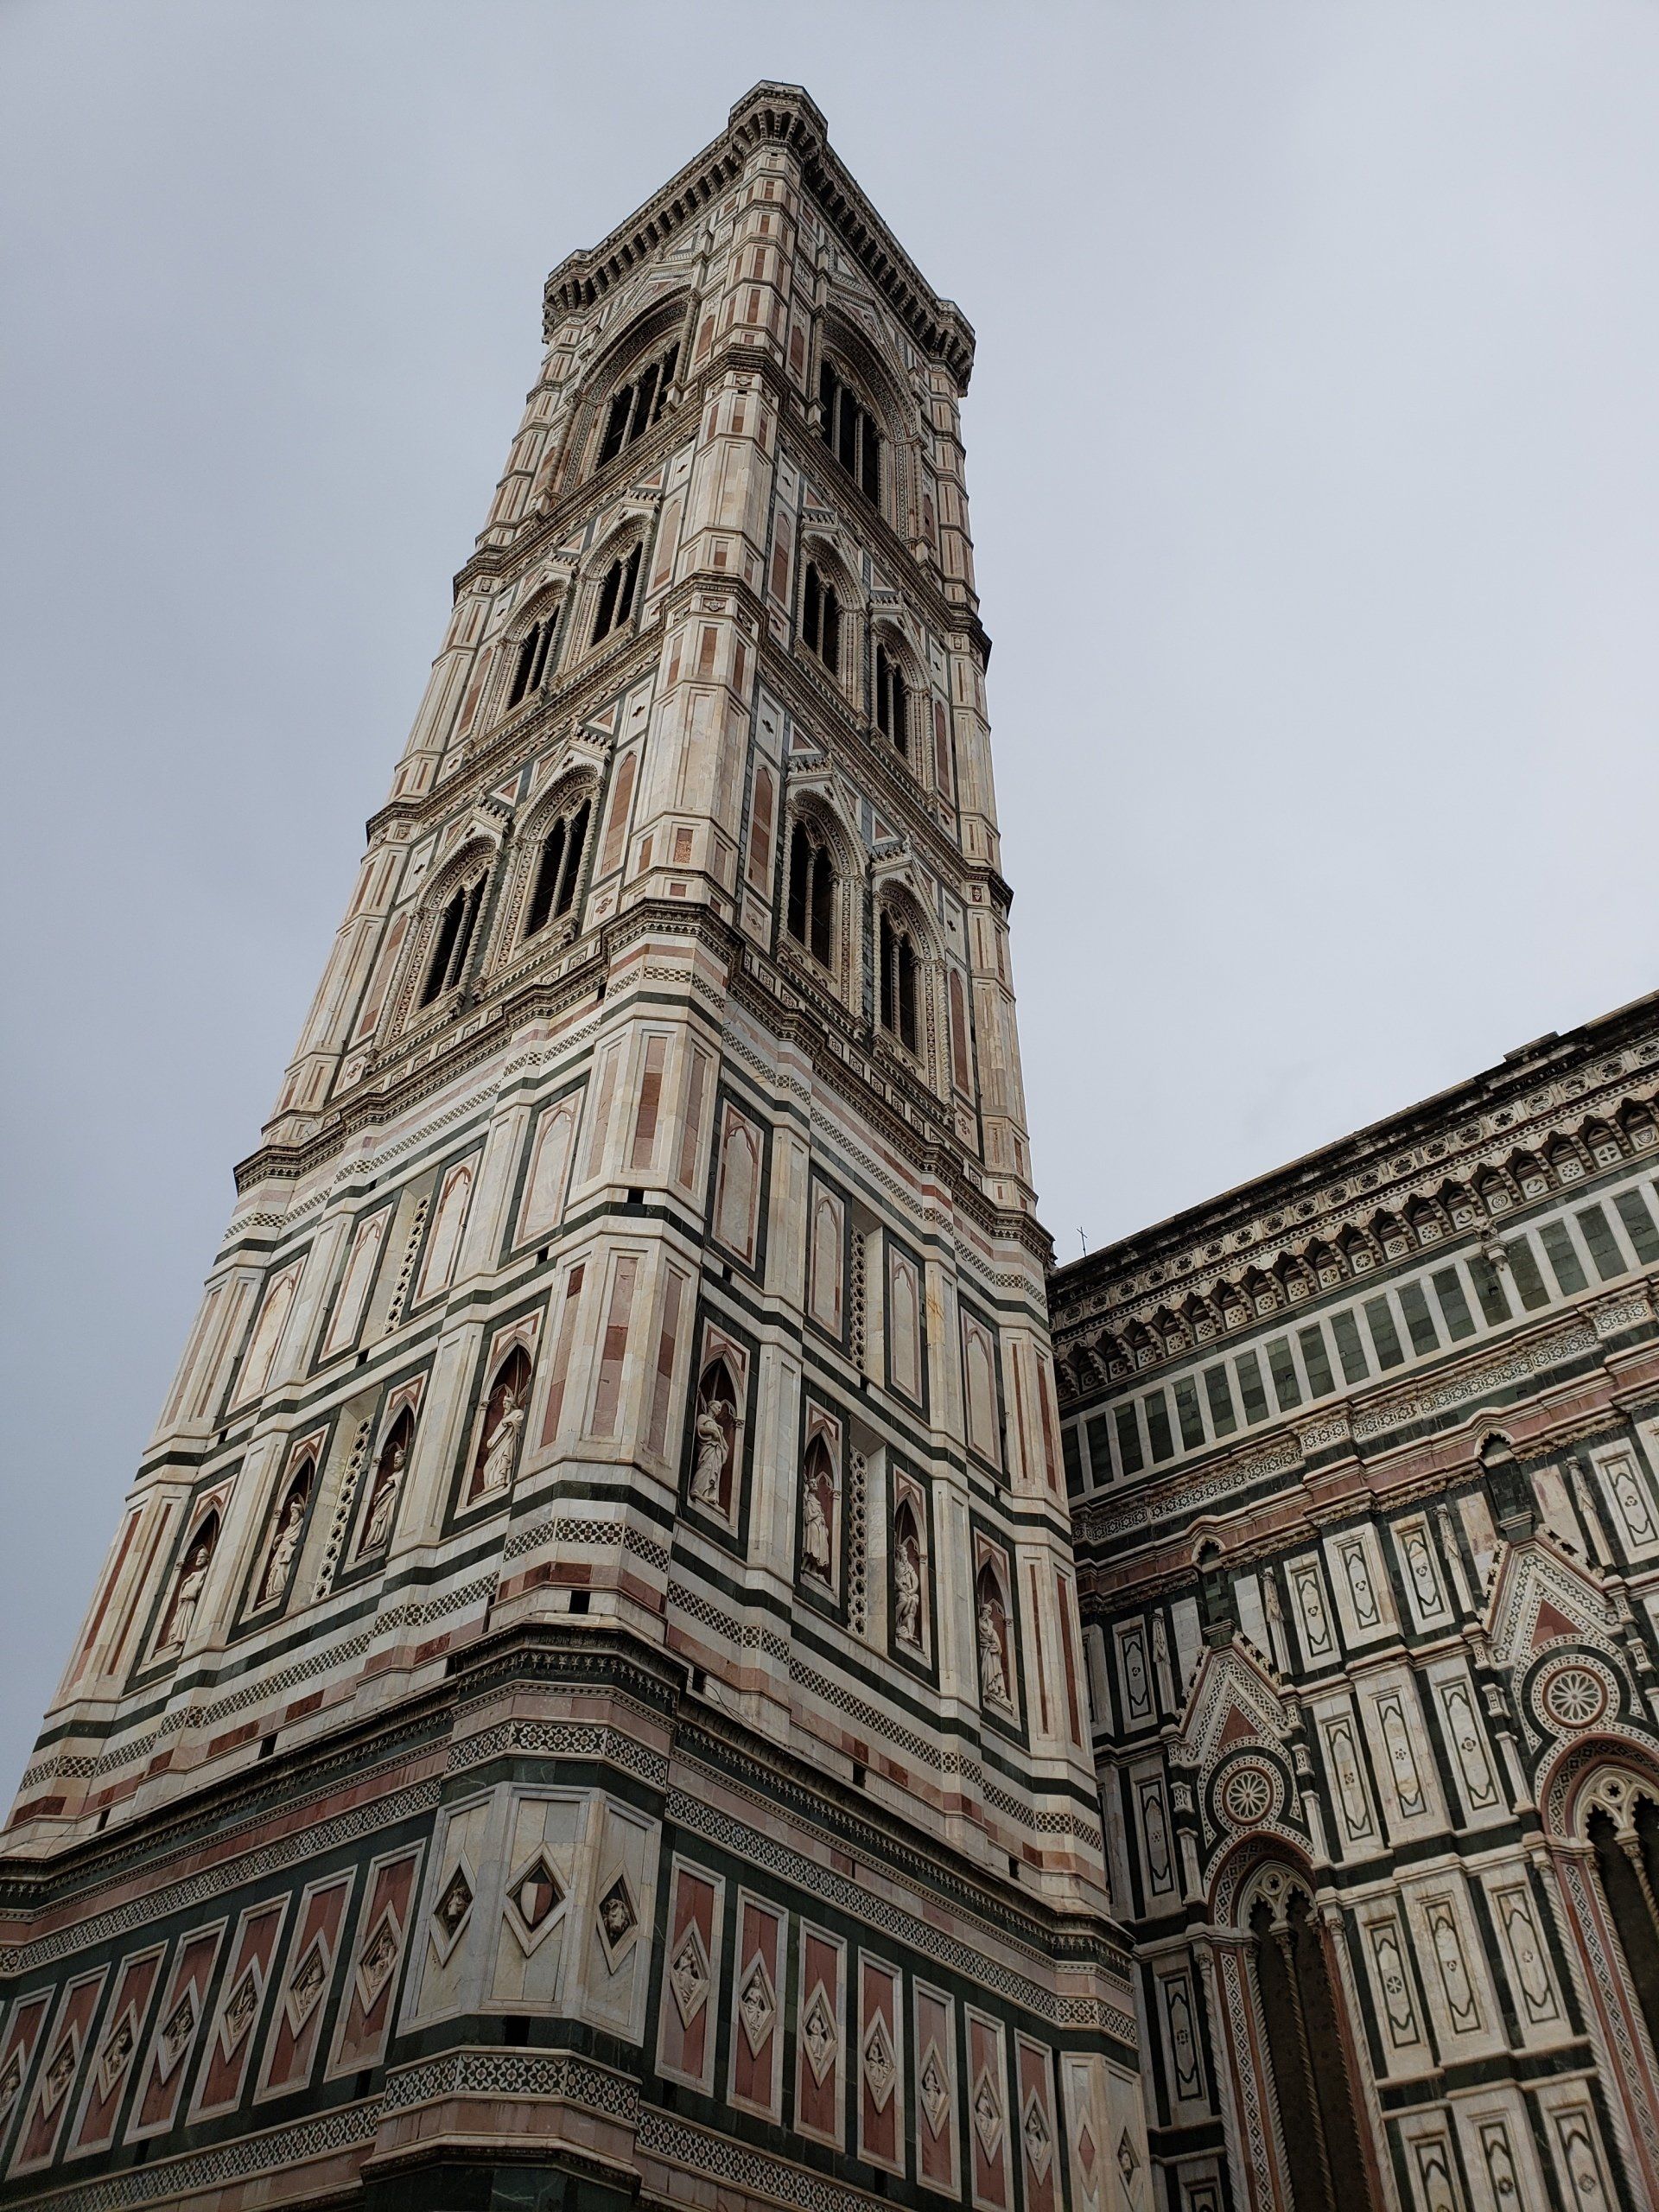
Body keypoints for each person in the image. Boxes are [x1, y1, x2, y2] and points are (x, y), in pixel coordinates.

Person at [476, 1376, 525, 1494]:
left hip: (508, 1443)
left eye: (505, 1404)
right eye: (503, 1404)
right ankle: (490, 1487)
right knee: (487, 1468)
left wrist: (510, 1421)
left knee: (505, 1459)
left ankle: (501, 1481)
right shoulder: (503, 1420)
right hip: (497, 1448)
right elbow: (495, 1436)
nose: (504, 1407)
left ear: (510, 1404)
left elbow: (521, 1420)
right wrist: (491, 1441)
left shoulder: (516, 1413)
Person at [257, 1488, 305, 1606]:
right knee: (276, 1570)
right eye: (291, 1513)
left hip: (288, 1554)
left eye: (294, 1513)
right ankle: (272, 1592)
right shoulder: (288, 1528)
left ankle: (280, 1588)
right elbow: (279, 1544)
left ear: (299, 1513)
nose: (291, 1516)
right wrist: (277, 1541)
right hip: (281, 1553)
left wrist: (290, 1542)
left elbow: (296, 1539)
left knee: (283, 1570)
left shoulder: (301, 1523)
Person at [691, 1399, 729, 1506]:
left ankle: (709, 1495)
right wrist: (713, 1431)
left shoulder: (716, 1425)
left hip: (716, 1450)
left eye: (720, 1408)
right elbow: (700, 1428)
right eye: (717, 1407)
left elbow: (724, 1443)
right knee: (705, 1468)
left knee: (714, 1470)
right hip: (708, 1448)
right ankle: (697, 1490)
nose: (719, 1410)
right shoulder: (703, 1417)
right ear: (710, 1406)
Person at [894, 1533, 922, 1647]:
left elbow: (915, 1580)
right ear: (900, 1555)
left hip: (908, 1591)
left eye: (906, 1555)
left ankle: (909, 1634)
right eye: (904, 1555)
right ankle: (895, 1623)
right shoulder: (896, 1564)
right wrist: (900, 1585)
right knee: (904, 1600)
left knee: (913, 1604)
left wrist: (912, 1590)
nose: (906, 1557)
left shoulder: (909, 1567)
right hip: (899, 1591)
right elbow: (894, 1578)